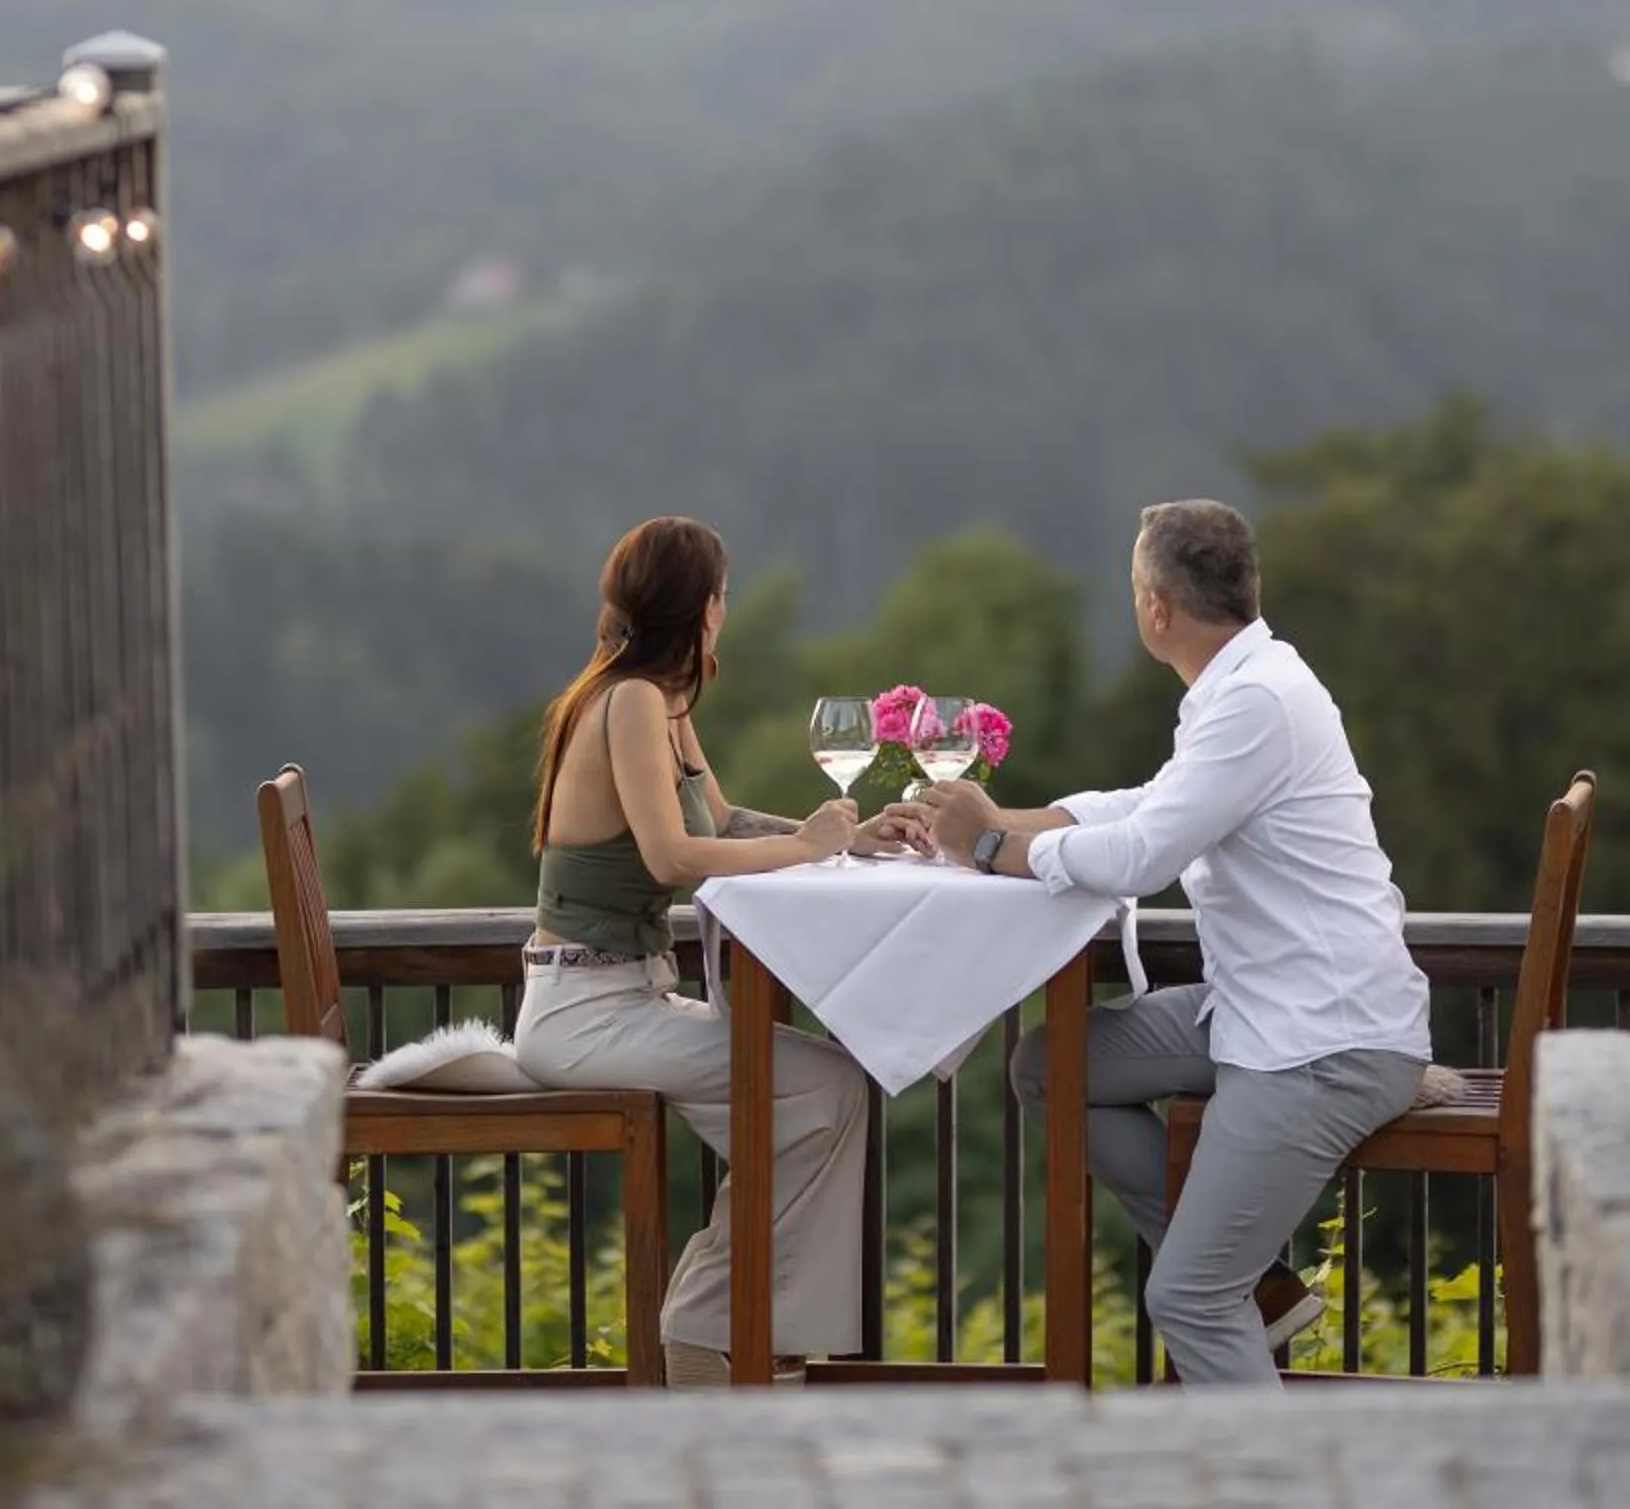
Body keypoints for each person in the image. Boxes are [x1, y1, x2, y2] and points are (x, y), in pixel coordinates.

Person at [913, 498, 1433, 1386]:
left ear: (1155, 607)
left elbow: (1145, 853)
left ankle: (1255, 1438)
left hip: (1321, 1041)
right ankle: (1259, 1281)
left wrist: (995, 847)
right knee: (1053, 1068)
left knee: (1187, 1296)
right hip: (1258, 1007)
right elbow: (1149, 803)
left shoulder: (1259, 700)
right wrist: (999, 824)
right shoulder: (1242, 686)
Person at [511, 514, 903, 1386]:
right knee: (827, 1087)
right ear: (705, 607)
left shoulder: (660, 701)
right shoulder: (632, 703)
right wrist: (808, 849)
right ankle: (717, 1326)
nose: (727, 607)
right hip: (584, 1010)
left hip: (624, 996)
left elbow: (721, 824)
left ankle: (750, 1335)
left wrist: (849, 838)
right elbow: (672, 858)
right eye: (723, 592)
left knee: (821, 1091)